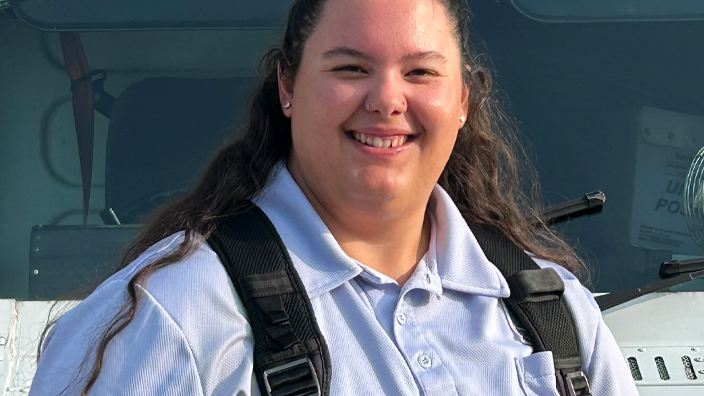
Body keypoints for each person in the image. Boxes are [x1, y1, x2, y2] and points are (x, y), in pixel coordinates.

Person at [29, 0, 639, 395]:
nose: (387, 100)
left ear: (462, 102)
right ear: (288, 86)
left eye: (421, 72)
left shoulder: (556, 315)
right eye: (350, 69)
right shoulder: (169, 318)